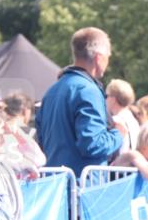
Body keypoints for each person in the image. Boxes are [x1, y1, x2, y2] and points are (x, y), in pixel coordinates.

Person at [35, 28, 125, 177]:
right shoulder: (88, 90)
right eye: (108, 56)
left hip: (55, 182)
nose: (108, 62)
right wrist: (118, 135)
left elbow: (41, 143)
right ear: (99, 58)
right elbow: (92, 144)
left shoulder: (51, 91)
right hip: (82, 184)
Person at [106, 79, 140, 152]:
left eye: (106, 96)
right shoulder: (133, 121)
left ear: (113, 99)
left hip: (119, 158)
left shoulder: (114, 121)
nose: (105, 99)